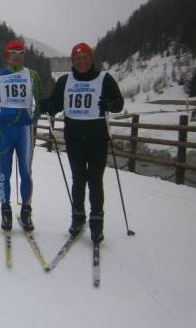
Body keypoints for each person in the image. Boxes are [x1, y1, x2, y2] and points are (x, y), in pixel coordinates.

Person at [41, 42, 124, 243]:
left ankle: (97, 225)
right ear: (73, 61)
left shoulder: (104, 79)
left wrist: (109, 104)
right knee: (78, 180)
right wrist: (44, 106)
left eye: (85, 58)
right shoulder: (65, 81)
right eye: (78, 59)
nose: (82, 62)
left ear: (91, 58)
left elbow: (118, 104)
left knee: (95, 181)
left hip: (97, 139)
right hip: (74, 138)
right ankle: (78, 219)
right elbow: (55, 104)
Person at [0, 39, 44, 232]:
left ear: (24, 54)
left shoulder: (32, 75)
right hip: (4, 131)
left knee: (26, 172)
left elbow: (40, 101)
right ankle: (6, 210)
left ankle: (26, 212)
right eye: (13, 52)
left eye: (20, 52)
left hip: (24, 131)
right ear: (7, 54)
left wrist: (33, 118)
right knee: (5, 172)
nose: (17, 56)